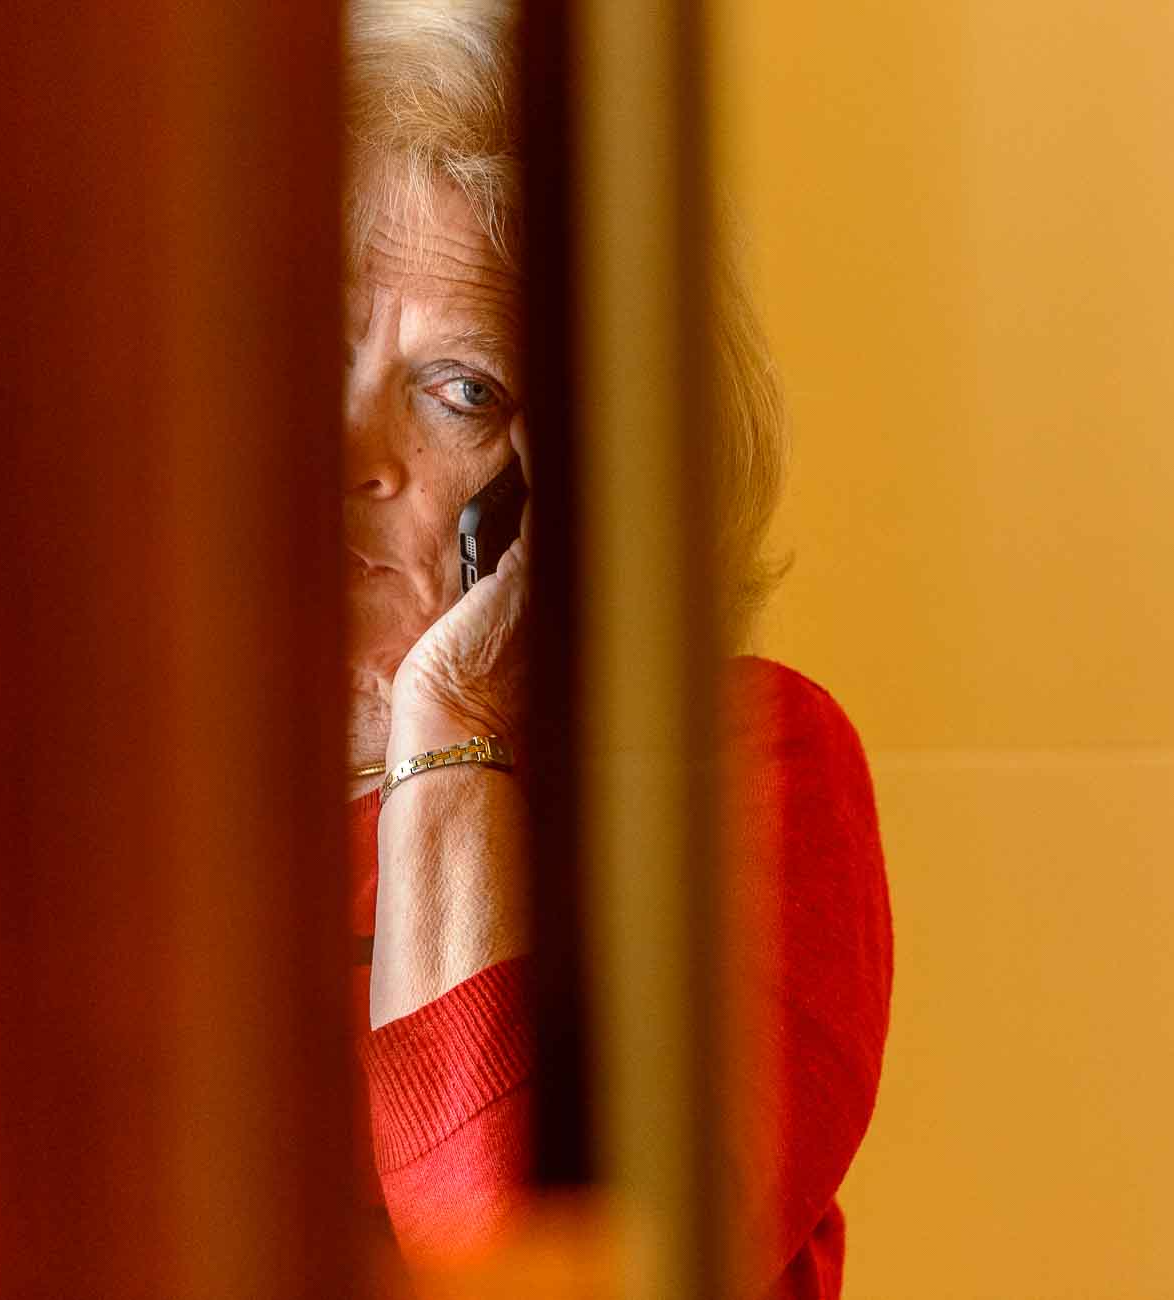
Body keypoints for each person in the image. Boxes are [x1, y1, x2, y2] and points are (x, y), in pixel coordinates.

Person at [340, 2, 893, 1293]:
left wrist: (449, 727)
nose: (352, 448)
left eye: (458, 388)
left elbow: (533, 1257)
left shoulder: (745, 765)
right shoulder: (147, 816)